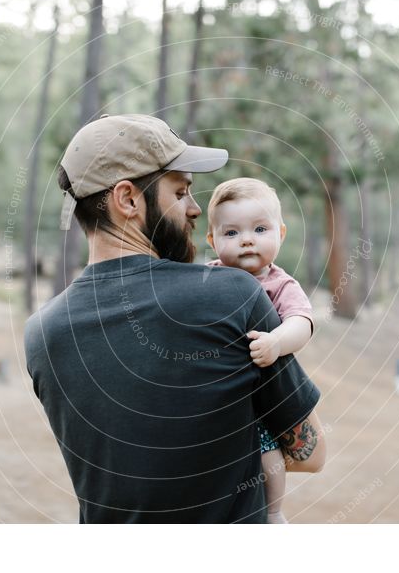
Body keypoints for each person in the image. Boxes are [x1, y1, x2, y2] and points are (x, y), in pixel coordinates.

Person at [24, 113, 325, 523]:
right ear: (128, 200)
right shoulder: (232, 294)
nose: (196, 208)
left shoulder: (43, 332)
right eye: (180, 192)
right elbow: (310, 454)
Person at [206, 177, 315, 524]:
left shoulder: (280, 284)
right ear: (212, 240)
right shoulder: (205, 278)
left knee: (268, 453)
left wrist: (276, 342)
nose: (247, 239)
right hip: (216, 390)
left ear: (281, 234)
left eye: (260, 229)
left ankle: (273, 512)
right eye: (231, 233)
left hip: (260, 394)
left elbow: (302, 322)